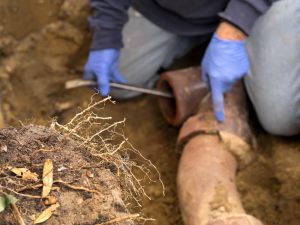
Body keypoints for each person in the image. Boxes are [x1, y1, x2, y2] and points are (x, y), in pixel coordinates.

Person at [83, 0, 300, 136]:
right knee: (120, 82)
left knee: (280, 119)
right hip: (173, 10)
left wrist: (234, 29)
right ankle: (203, 39)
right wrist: (107, 31)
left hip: (266, 6)